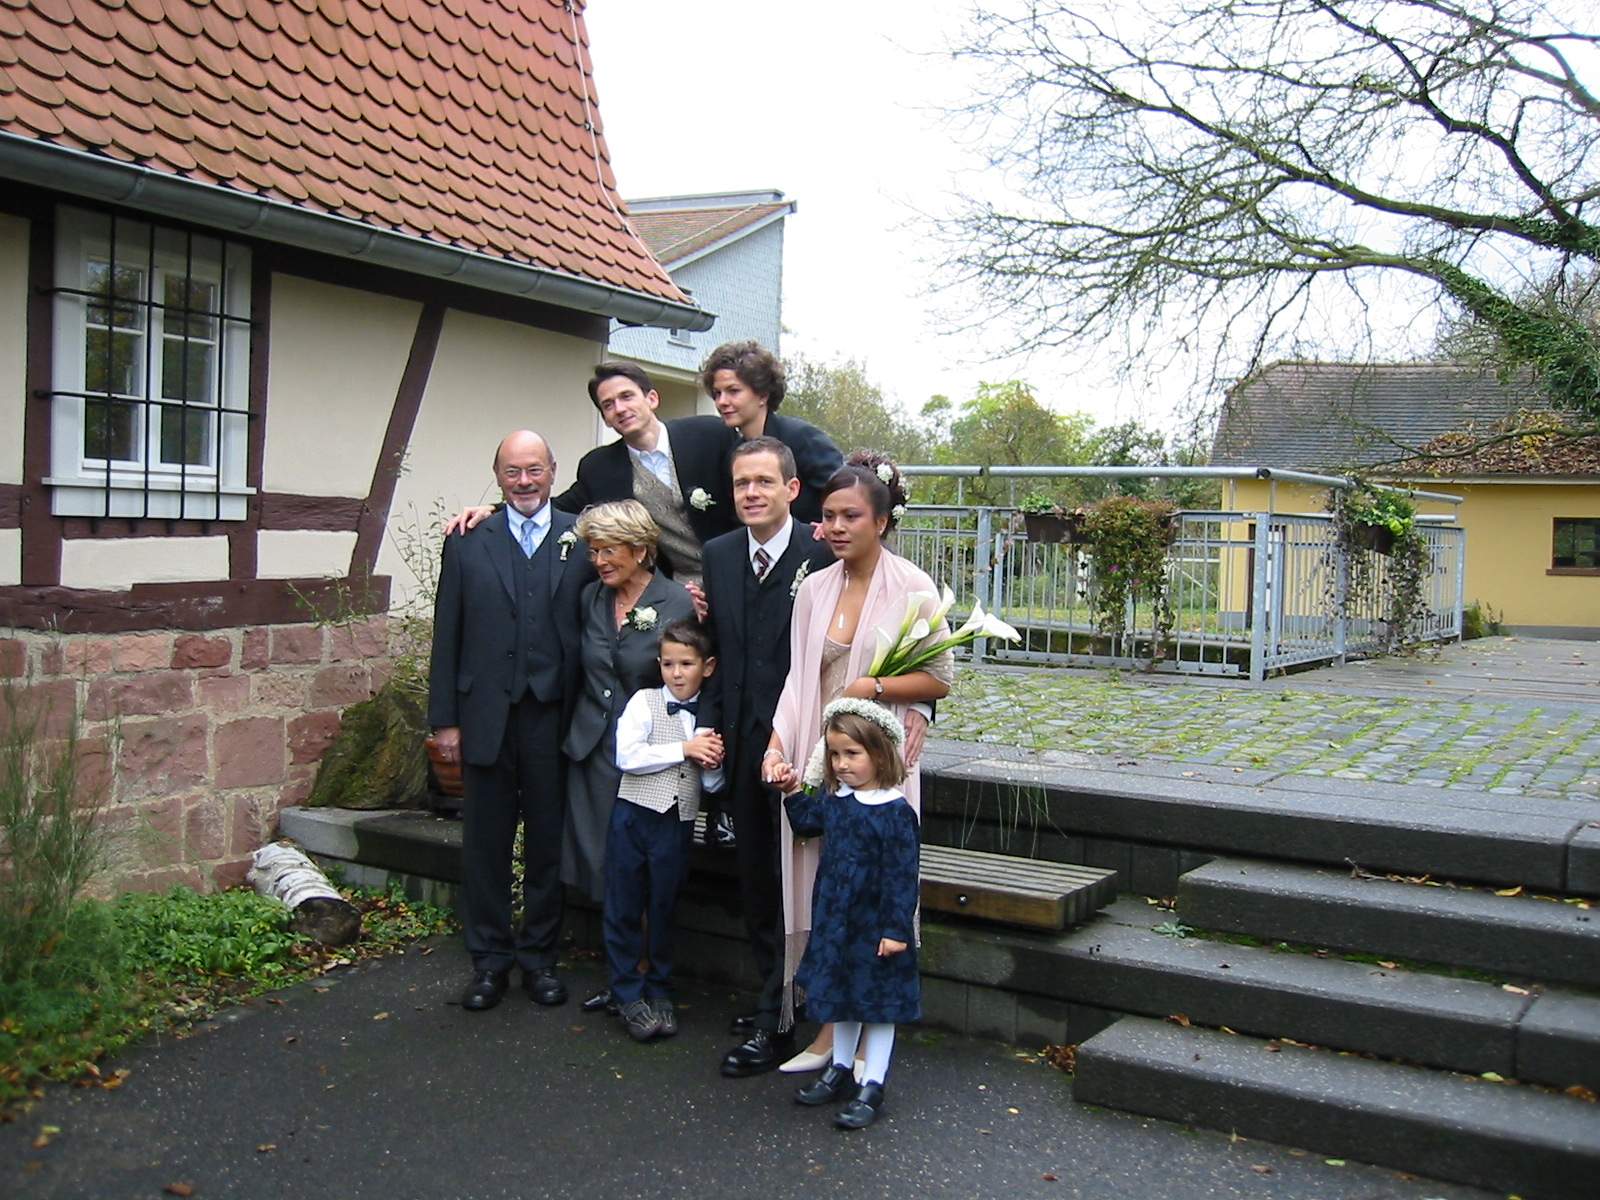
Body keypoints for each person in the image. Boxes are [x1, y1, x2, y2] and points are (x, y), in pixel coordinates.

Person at [763, 453, 953, 1067]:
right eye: (828, 516)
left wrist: (875, 687)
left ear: (882, 521)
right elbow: (797, 679)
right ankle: (828, 1032)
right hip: (820, 755)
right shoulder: (814, 588)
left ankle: (871, 1036)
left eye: (851, 516)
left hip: (875, 761)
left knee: (870, 891)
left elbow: (939, 678)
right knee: (823, 891)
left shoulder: (914, 587)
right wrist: (777, 746)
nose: (837, 527)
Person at [427, 429, 594, 1012]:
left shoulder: (583, 536)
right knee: (485, 845)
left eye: (534, 470)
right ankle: (490, 961)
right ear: (497, 477)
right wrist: (445, 721)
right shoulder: (467, 541)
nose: (524, 482)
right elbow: (447, 632)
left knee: (548, 843)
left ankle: (540, 959)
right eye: (512, 472)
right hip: (485, 715)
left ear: (553, 471)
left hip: (555, 715)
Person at [703, 438, 837, 1078]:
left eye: (763, 481)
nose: (751, 493)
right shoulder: (719, 554)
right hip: (742, 747)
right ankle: (772, 998)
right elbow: (720, 649)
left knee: (802, 886)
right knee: (756, 882)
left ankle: (789, 1012)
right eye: (741, 483)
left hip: (805, 748)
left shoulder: (822, 551)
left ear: (792, 489)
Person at [563, 500, 701, 1012]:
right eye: (594, 550)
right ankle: (622, 976)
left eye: (610, 550)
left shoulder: (676, 601)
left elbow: (688, 678)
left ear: (641, 550)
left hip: (652, 756)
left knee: (644, 873)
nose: (599, 560)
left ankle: (646, 979)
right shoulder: (590, 598)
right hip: (594, 749)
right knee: (607, 867)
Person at [445, 362, 738, 584]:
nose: (620, 409)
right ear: (606, 419)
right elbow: (559, 507)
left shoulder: (709, 435)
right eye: (608, 405)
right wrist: (494, 510)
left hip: (739, 568)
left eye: (626, 396)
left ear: (651, 398)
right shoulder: (600, 467)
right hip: (679, 586)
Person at [771, 699, 920, 1130]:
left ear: (880, 755)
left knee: (876, 1005)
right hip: (838, 924)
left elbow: (902, 877)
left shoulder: (895, 813)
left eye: (852, 754)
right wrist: (792, 791)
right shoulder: (838, 801)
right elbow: (807, 822)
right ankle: (838, 1067)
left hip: (874, 929)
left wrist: (895, 929)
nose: (841, 764)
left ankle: (873, 1082)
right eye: (835, 754)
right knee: (843, 999)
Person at [605, 619, 724, 1042]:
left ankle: (659, 990)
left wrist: (713, 764)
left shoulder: (708, 718)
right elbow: (627, 756)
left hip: (677, 822)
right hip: (633, 816)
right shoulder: (645, 701)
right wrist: (684, 749)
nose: (676, 673)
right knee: (623, 904)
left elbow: (712, 785)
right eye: (668, 663)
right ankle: (626, 992)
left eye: (686, 664)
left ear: (707, 667)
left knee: (663, 907)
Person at [699, 341, 841, 523]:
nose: (722, 402)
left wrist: (828, 524)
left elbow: (846, 491)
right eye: (717, 393)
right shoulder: (733, 453)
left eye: (733, 391)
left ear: (763, 395)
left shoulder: (801, 438)